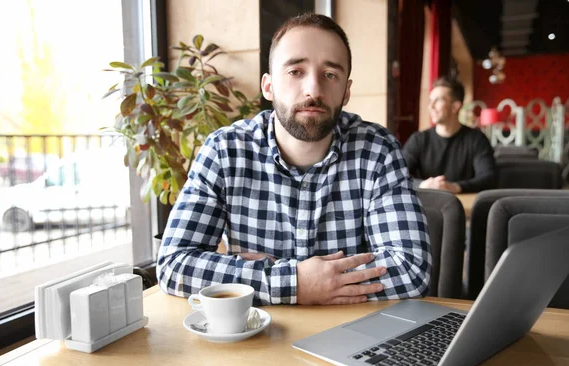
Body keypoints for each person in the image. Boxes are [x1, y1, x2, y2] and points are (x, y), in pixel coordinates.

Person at [157, 13, 431, 306]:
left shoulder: (377, 150)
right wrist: (297, 282)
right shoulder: (224, 151)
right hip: (254, 337)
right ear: (268, 86)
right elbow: (175, 265)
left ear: (346, 91)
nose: (313, 89)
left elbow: (411, 271)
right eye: (295, 71)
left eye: (330, 74)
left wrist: (251, 275)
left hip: (346, 335)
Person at [402, 77, 497, 194]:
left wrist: (455, 187)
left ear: (455, 107)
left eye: (438, 100)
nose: (431, 107)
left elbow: (489, 178)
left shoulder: (477, 139)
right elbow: (396, 175)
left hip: (465, 208)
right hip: (426, 207)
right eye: (430, 101)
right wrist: (422, 184)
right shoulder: (418, 139)